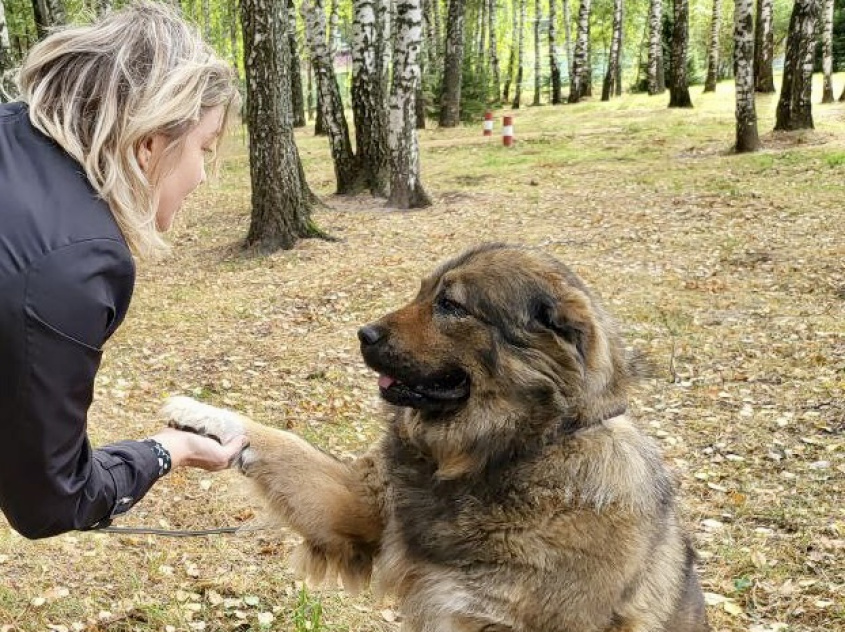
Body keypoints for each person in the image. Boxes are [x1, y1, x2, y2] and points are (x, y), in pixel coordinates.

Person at [0, 1, 248, 539]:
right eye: (204, 148)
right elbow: (50, 500)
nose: (204, 176)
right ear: (148, 144)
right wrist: (168, 449)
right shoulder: (75, 262)